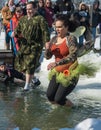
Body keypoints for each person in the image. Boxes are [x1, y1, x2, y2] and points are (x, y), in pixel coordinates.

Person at [13, 1, 50, 91]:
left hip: (35, 46)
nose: (28, 11)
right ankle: (34, 79)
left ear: (35, 8)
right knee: (21, 65)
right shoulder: (23, 19)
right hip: (24, 45)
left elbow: (45, 32)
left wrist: (47, 44)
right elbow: (18, 30)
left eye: (30, 9)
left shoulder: (40, 19)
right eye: (27, 9)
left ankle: (27, 86)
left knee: (30, 64)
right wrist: (14, 33)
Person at [45, 14, 79, 107]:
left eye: (60, 27)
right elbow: (47, 57)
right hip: (57, 71)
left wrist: (57, 63)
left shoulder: (71, 39)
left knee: (59, 99)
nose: (57, 29)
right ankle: (58, 113)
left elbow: (73, 56)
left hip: (70, 71)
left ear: (66, 27)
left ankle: (73, 109)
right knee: (50, 96)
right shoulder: (54, 39)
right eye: (56, 27)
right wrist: (47, 49)